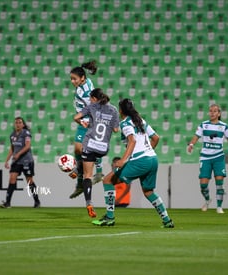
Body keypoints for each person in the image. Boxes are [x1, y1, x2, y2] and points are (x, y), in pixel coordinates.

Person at [93, 98, 174, 228]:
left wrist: (123, 160)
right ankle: (167, 221)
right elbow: (156, 138)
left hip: (140, 161)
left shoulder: (125, 123)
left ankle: (109, 217)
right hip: (153, 159)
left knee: (107, 180)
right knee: (148, 191)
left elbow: (132, 141)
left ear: (120, 110)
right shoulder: (140, 120)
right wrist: (147, 153)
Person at [73, 88, 119, 217]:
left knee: (87, 175)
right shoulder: (114, 109)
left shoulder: (91, 106)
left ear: (93, 98)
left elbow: (76, 117)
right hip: (103, 147)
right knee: (93, 157)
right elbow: (116, 129)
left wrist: (83, 123)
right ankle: (85, 169)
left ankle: (89, 203)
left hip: (90, 144)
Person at [187, 103, 228, 214]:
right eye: (210, 111)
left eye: (215, 111)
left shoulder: (224, 126)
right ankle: (207, 200)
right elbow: (196, 137)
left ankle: (219, 207)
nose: (212, 113)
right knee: (203, 185)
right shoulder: (204, 125)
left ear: (219, 113)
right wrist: (191, 145)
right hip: (205, 157)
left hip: (218, 157)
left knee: (219, 183)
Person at [69, 60, 104, 200]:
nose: (72, 81)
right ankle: (80, 183)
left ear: (82, 78)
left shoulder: (85, 92)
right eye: (71, 79)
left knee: (87, 148)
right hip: (83, 121)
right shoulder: (85, 83)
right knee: (78, 150)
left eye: (74, 79)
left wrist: (80, 118)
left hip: (88, 122)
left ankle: (98, 173)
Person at [0, 117, 40, 208]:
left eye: (20, 122)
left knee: (29, 181)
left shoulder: (26, 134)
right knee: (12, 178)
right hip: (16, 161)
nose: (18, 124)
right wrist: (7, 160)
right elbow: (12, 148)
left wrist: (18, 154)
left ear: (23, 124)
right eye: (16, 123)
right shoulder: (12, 135)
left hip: (27, 160)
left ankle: (37, 201)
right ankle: (7, 203)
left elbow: (28, 146)